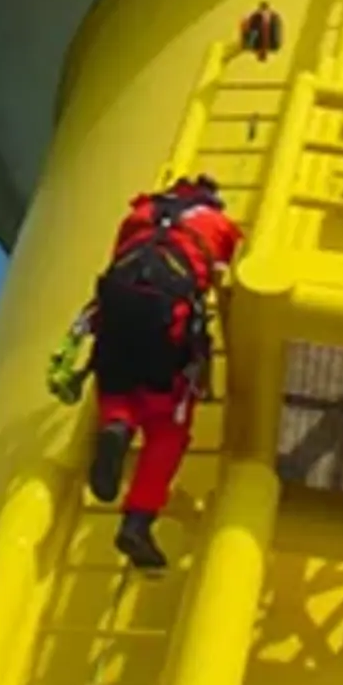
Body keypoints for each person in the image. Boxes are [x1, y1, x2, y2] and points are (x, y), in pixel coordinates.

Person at [83, 174, 243, 570]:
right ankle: (137, 520)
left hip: (118, 305)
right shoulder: (220, 225)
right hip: (169, 315)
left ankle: (117, 424)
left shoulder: (141, 213)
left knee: (116, 384)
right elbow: (230, 275)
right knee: (167, 427)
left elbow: (117, 253)